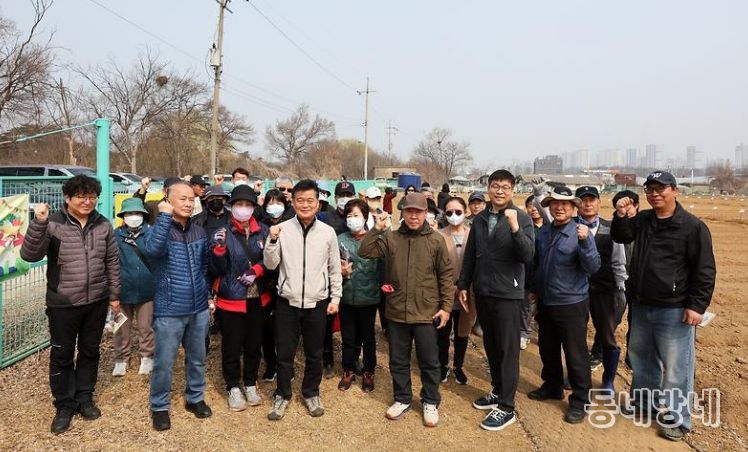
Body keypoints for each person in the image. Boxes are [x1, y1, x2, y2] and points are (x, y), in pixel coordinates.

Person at [612, 171, 716, 442]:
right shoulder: (644, 220)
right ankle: (645, 404)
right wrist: (621, 216)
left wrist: (697, 306)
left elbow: (705, 270)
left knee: (677, 366)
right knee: (642, 359)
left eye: (661, 188)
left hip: (674, 308)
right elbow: (622, 237)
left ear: (675, 191)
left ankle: (680, 419)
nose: (655, 193)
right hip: (642, 304)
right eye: (650, 189)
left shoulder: (692, 227)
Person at [20, 175, 121, 434]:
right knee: (62, 355)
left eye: (92, 197)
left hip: (96, 300)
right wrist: (39, 223)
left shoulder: (103, 224)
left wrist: (114, 295)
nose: (87, 202)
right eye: (81, 197)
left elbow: (112, 261)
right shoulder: (53, 223)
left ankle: (85, 397)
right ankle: (64, 404)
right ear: (67, 198)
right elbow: (30, 255)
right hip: (63, 303)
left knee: (90, 351)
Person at [359, 192, 453, 428]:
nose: (413, 216)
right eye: (409, 211)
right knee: (398, 360)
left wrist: (446, 308)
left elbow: (446, 275)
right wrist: (377, 229)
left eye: (418, 212)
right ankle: (402, 398)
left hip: (426, 311)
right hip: (397, 310)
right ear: (402, 213)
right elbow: (365, 251)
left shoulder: (436, 240)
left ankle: (430, 401)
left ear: (426, 214)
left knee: (429, 360)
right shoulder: (391, 238)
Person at [457, 170, 534, 431]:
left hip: (508, 294)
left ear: (513, 190)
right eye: (495, 186)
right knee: (490, 344)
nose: (499, 191)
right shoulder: (480, 219)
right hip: (484, 291)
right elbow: (471, 255)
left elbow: (527, 255)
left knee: (508, 350)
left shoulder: (521, 218)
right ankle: (498, 389)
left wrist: (514, 228)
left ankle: (507, 406)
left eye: (505, 187)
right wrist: (464, 284)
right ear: (488, 188)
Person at [263, 179, 342, 421]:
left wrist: (335, 297)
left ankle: (311, 392)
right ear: (293, 203)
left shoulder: (327, 232)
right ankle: (282, 394)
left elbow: (334, 268)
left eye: (310, 200)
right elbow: (270, 264)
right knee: (284, 353)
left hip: (317, 302)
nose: (305, 205)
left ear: (318, 203)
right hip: (287, 301)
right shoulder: (281, 229)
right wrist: (272, 240)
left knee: (314, 353)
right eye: (300, 200)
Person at [528, 185, 600, 425]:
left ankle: (580, 400)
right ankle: (552, 386)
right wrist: (534, 290)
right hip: (547, 301)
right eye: (554, 203)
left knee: (575, 354)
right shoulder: (545, 231)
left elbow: (593, 267)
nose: (559, 207)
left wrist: (586, 242)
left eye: (564, 204)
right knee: (547, 348)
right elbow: (539, 264)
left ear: (573, 207)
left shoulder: (580, 232)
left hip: (571, 303)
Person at [143, 181, 212, 431]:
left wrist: (207, 295)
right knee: (164, 362)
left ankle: (195, 398)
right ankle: (159, 406)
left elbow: (204, 267)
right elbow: (153, 250)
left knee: (197, 358)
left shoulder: (199, 231)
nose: (188, 203)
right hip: (170, 310)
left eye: (191, 199)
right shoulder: (156, 230)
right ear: (167, 199)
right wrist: (163, 217)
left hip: (198, 308)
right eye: (182, 198)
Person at [209, 185, 271, 412]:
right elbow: (216, 269)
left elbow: (272, 260)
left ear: (254, 208)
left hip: (258, 298)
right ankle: (233, 386)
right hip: (231, 298)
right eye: (238, 204)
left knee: (254, 344)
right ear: (231, 207)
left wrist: (257, 270)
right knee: (232, 346)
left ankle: (250, 383)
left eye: (247, 205)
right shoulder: (222, 232)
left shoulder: (264, 231)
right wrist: (218, 249)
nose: (243, 209)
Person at [574, 185, 628, 391]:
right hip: (576, 288)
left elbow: (618, 259)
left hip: (604, 288)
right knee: (576, 335)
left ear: (598, 202)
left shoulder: (610, 227)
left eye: (592, 200)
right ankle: (577, 375)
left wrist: (620, 287)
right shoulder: (570, 225)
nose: (587, 204)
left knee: (607, 334)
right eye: (583, 200)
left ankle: (608, 380)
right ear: (576, 204)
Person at [337, 199, 381, 392]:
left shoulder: (375, 239)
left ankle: (368, 371)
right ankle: (348, 369)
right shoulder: (340, 239)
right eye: (349, 215)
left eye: (356, 215)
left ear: (365, 217)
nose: (352, 219)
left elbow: (383, 266)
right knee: (348, 337)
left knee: (368, 337)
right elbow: (332, 264)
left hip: (368, 296)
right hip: (346, 296)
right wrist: (340, 272)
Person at [112, 198, 155, 377]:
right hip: (122, 289)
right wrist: (112, 292)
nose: (134, 216)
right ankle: (121, 358)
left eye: (137, 213)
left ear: (143, 215)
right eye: (130, 213)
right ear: (123, 216)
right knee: (121, 326)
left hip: (147, 289)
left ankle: (147, 356)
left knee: (146, 326)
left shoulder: (151, 233)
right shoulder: (115, 235)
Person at [438, 197, 476, 386]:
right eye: (449, 212)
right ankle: (443, 365)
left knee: (463, 331)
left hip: (467, 293)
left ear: (466, 212)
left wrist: (464, 286)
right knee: (442, 331)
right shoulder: (438, 236)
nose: (454, 216)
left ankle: (458, 366)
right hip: (444, 292)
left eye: (458, 212)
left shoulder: (473, 235)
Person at [258, 189, 289, 382]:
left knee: (284, 330)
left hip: (286, 283)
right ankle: (270, 364)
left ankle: (286, 367)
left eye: (278, 203)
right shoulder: (261, 227)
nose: (274, 207)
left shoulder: (291, 226)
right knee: (266, 328)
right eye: (270, 203)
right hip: (264, 283)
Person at [610, 189, 640, 368]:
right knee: (611, 319)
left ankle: (632, 357)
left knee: (636, 322)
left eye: (629, 205)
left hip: (639, 283)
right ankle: (600, 351)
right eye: (620, 206)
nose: (625, 209)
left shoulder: (644, 227)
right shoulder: (614, 226)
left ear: (636, 205)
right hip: (618, 281)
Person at [520, 194, 544, 349]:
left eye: (537, 206)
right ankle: (524, 333)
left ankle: (543, 333)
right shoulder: (524, 227)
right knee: (526, 306)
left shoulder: (550, 226)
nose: (534, 209)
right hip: (528, 273)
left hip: (546, 274)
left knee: (544, 307)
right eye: (530, 206)